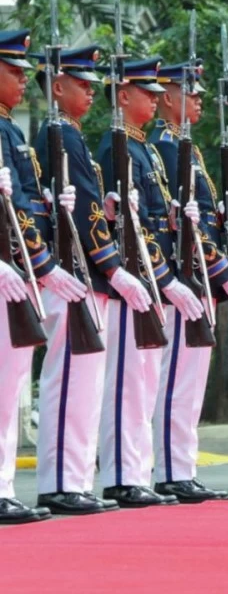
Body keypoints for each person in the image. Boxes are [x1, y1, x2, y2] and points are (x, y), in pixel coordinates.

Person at [95, 57, 206, 508]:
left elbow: (157, 223)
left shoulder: (146, 150)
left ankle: (137, 472)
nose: (157, 99)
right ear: (123, 96)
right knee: (128, 382)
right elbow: (130, 227)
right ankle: (124, 476)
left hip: (152, 278)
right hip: (135, 279)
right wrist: (161, 276)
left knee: (142, 381)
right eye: (148, 92)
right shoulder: (116, 146)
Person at [149, 61, 228, 503]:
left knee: (190, 381)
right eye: (190, 93)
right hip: (182, 277)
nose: (198, 101)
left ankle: (182, 467)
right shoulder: (165, 145)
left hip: (199, 278)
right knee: (176, 379)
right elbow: (178, 228)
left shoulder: (187, 148)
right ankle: (172, 470)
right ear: (167, 97)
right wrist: (224, 273)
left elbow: (202, 224)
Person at [33, 46, 130, 515]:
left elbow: (91, 206)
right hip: (74, 271)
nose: (91, 92)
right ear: (56, 87)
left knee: (84, 383)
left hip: (83, 271)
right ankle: (61, 482)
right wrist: (110, 264)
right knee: (70, 378)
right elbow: (80, 209)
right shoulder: (59, 134)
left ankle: (74, 478)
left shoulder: (71, 136)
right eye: (82, 84)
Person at [0, 30, 86, 523]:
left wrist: (52, 210)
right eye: (12, 71)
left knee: (12, 386)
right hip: (10, 271)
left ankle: (5, 486)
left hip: (21, 272)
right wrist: (43, 266)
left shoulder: (11, 130)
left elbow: (25, 206)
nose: (20, 81)